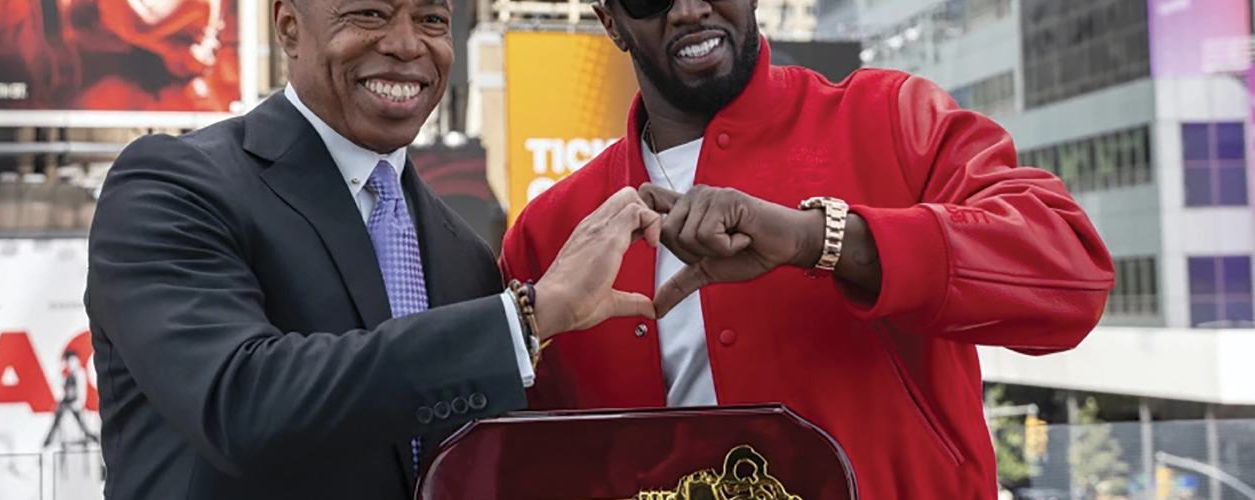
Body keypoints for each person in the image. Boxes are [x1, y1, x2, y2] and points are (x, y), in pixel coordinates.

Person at [498, 0, 1115, 498]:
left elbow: (1073, 272)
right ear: (611, 22)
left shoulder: (890, 118)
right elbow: (527, 465)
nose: (687, 9)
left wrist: (819, 240)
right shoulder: (549, 231)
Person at [83, 0, 663, 497]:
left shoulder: (463, 253)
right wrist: (525, 320)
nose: (407, 44)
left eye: (432, 18)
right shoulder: (173, 185)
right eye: (370, 12)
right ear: (288, 26)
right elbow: (240, 405)